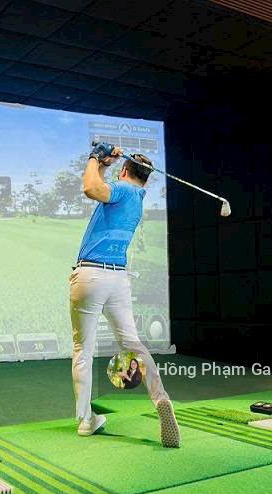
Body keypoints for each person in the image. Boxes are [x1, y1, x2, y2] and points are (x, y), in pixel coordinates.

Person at [70, 143, 180, 448]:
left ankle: (86, 420)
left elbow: (91, 187)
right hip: (118, 279)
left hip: (91, 275)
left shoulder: (123, 190)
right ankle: (161, 399)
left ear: (126, 171)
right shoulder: (137, 197)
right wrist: (105, 162)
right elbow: (101, 184)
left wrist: (94, 156)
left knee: (82, 349)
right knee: (133, 344)